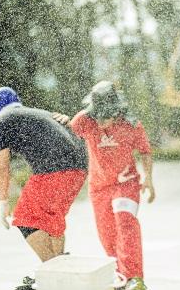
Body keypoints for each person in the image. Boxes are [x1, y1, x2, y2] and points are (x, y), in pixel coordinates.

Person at [53, 81, 155, 290]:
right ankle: (120, 276)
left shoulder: (131, 124)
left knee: (125, 223)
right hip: (99, 187)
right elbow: (66, 134)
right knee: (107, 235)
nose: (102, 124)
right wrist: (62, 122)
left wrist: (149, 179)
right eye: (98, 117)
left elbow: (145, 151)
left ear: (117, 112)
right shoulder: (84, 120)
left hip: (126, 183)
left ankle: (134, 278)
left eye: (106, 117)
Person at [0, 87, 88, 290]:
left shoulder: (2, 121)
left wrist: (2, 202)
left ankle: (54, 277)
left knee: (25, 219)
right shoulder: (39, 112)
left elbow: (2, 164)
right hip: (79, 168)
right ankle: (60, 270)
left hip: (54, 170)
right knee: (52, 219)